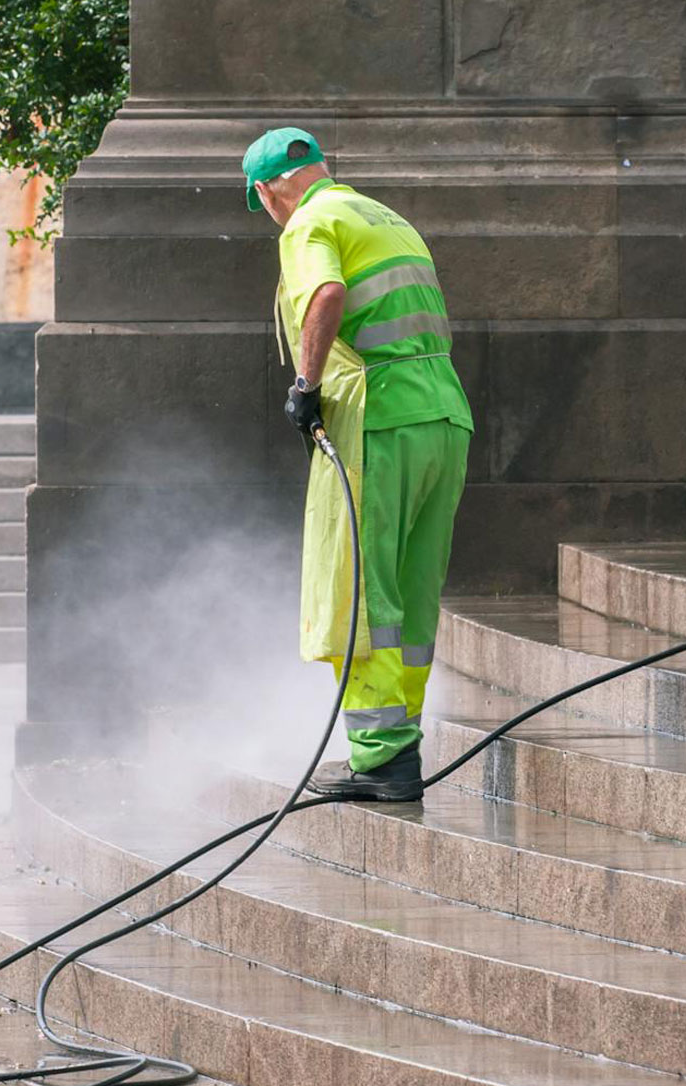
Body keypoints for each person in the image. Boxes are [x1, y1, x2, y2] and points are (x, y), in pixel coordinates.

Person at [242, 127, 472, 802]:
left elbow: (324, 296)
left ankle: (379, 758)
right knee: (410, 594)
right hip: (443, 415)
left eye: (265, 206)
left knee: (363, 594)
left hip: (380, 419)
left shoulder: (309, 222)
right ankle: (397, 751)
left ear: (269, 192)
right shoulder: (384, 215)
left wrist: (304, 387)